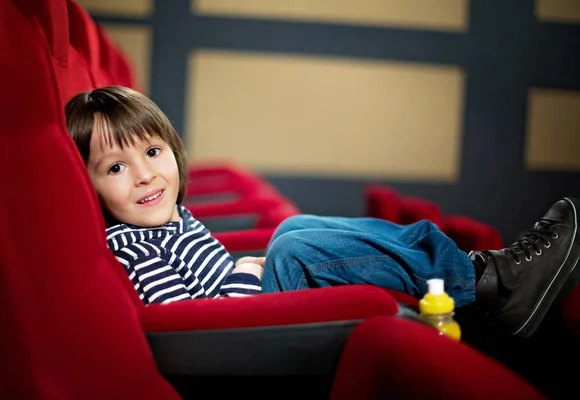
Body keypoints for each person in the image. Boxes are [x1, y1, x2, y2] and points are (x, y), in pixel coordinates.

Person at [64, 85, 580, 339]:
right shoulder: (129, 245)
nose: (145, 175)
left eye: (153, 153)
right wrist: (248, 272)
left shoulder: (175, 217)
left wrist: (246, 271)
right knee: (292, 244)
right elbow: (186, 320)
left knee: (295, 229)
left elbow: (212, 277)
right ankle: (494, 281)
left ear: (173, 152)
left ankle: (477, 280)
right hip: (239, 328)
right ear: (88, 186)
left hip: (249, 302)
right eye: (115, 168)